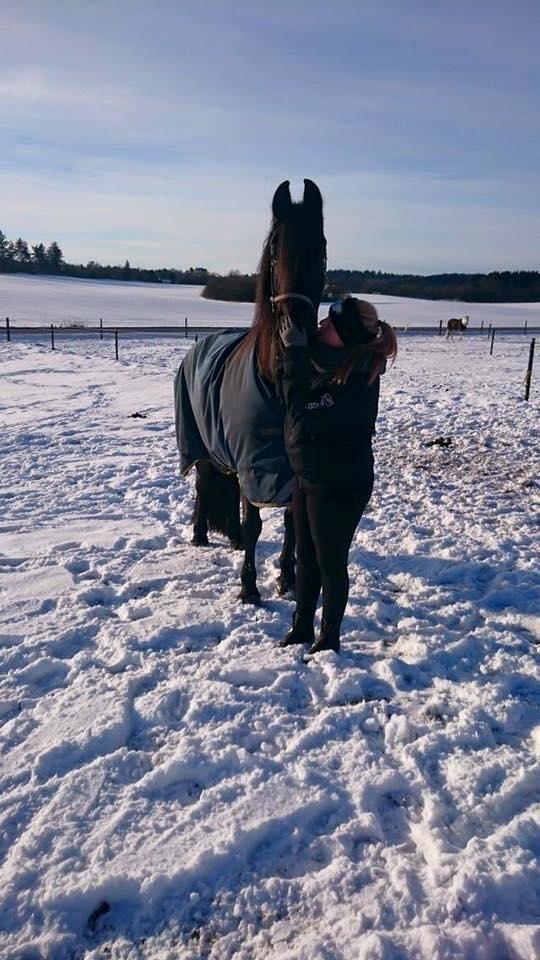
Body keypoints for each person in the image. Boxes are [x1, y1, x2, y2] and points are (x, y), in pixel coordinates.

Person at [277, 296, 397, 654]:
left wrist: (295, 358)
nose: (321, 326)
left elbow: (299, 409)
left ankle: (329, 637)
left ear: (344, 336)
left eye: (330, 324)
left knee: (330, 561)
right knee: (306, 555)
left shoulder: (356, 377)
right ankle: (301, 627)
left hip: (339, 484)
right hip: (309, 476)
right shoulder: (333, 362)